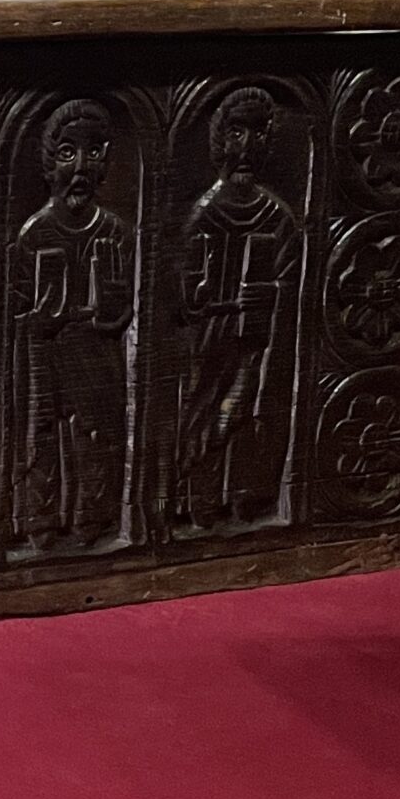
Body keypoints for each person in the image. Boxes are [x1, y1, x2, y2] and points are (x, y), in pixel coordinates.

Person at [10, 99, 135, 553]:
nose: (81, 166)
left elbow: (125, 312)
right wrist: (42, 320)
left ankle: (92, 518)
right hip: (46, 359)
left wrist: (110, 311)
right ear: (49, 163)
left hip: (97, 358)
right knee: (43, 440)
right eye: (67, 153)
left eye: (93, 153)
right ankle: (40, 521)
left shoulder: (115, 232)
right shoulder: (35, 234)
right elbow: (17, 313)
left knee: (95, 439)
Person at [175, 89, 299, 530]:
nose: (246, 147)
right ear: (218, 140)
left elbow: (293, 284)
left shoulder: (277, 216)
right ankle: (198, 499)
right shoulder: (205, 215)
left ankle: (245, 498)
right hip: (210, 341)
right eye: (235, 133)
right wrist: (209, 298)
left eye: (258, 134)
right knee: (203, 412)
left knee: (244, 411)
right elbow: (185, 293)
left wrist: (270, 296)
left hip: (256, 341)